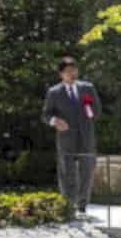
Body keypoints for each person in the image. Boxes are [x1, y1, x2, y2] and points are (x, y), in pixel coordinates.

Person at [42, 52, 101, 214]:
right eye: (68, 71)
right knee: (67, 173)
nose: (72, 74)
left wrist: (90, 113)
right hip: (66, 138)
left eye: (74, 70)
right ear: (61, 74)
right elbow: (46, 115)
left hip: (86, 137)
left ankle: (82, 204)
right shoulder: (54, 92)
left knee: (87, 172)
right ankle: (67, 204)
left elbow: (96, 110)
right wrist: (55, 121)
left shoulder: (87, 88)